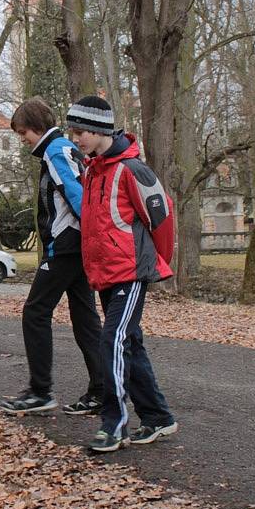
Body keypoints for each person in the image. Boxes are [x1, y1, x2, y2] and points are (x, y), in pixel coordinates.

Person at [66, 95, 178, 453]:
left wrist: (154, 264)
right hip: (104, 272)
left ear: (99, 130)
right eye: (73, 130)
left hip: (130, 272)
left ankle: (113, 424)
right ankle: (158, 417)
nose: (76, 137)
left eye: (81, 130)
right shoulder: (91, 170)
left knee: (111, 340)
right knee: (129, 344)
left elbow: (161, 220)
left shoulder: (133, 170)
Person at [0, 97, 104, 416]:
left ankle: (40, 390)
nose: (22, 140)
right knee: (85, 319)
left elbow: (75, 194)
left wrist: (85, 236)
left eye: (22, 133)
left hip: (67, 244)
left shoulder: (55, 150)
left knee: (35, 312)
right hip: (78, 244)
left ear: (36, 127)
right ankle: (102, 391)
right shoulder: (65, 148)